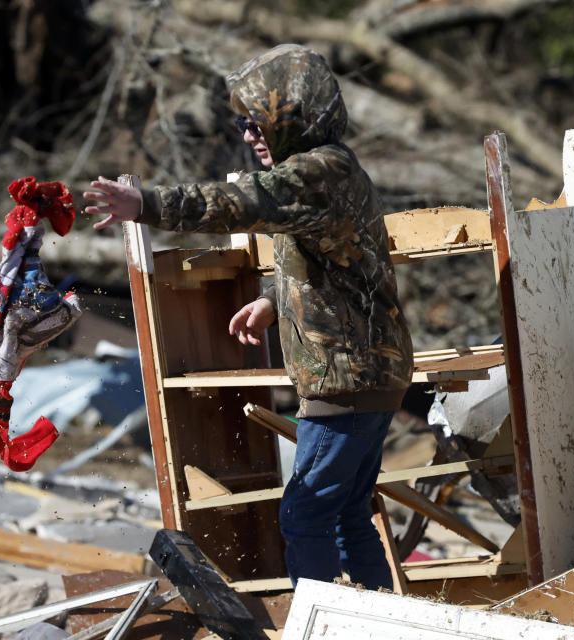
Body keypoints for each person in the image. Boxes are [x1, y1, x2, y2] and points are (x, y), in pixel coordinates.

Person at [83, 44, 413, 591]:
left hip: (347, 381)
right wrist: (276, 303)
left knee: (304, 516)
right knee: (349, 517)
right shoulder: (329, 172)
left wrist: (148, 205)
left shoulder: (317, 173)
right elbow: (344, 267)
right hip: (370, 375)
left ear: (296, 119)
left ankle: (323, 624)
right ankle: (382, 619)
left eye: (257, 122)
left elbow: (242, 203)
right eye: (242, 123)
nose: (247, 134)